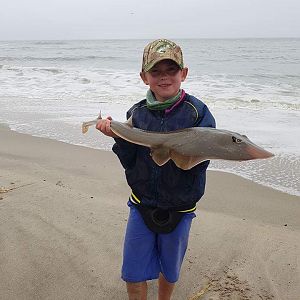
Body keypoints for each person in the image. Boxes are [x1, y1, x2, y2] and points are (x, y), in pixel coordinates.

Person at [96, 39, 216, 300]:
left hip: (180, 208)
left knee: (169, 270)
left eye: (171, 70)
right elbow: (130, 161)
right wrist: (117, 136)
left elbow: (201, 163)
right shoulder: (136, 114)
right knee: (133, 272)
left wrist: (175, 151)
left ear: (183, 73)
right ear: (144, 77)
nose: (164, 78)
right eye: (155, 71)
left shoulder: (199, 113)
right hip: (141, 204)